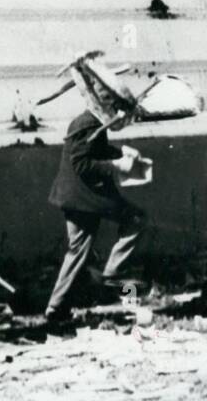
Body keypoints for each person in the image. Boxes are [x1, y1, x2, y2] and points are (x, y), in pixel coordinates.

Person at [45, 95, 148, 330]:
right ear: (106, 105)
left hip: (82, 196)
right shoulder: (88, 124)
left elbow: (96, 151)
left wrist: (121, 153)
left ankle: (56, 308)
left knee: (78, 251)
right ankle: (112, 273)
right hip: (82, 197)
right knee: (135, 219)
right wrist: (116, 165)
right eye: (115, 108)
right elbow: (82, 164)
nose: (117, 115)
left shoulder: (91, 122)